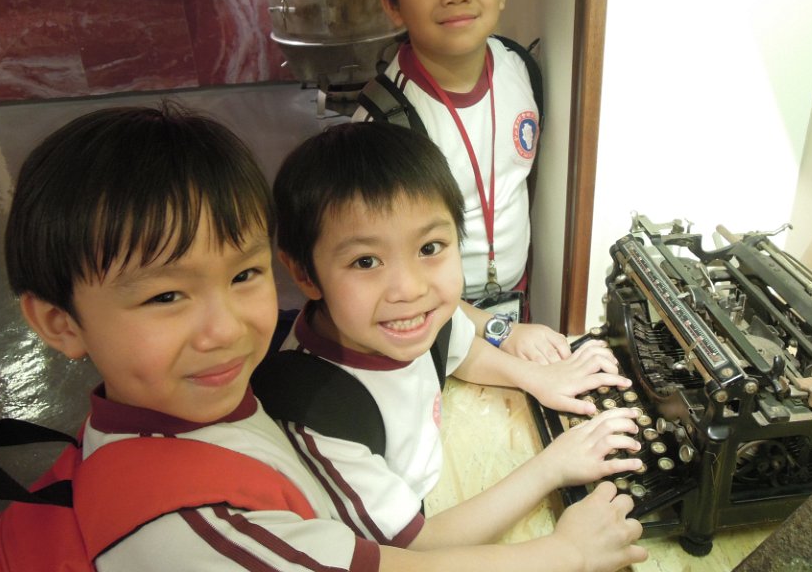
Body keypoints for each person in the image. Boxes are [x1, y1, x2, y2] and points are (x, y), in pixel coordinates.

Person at [0, 102, 645, 572]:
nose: (226, 330)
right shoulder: (190, 531)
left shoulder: (214, 396)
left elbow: (450, 337)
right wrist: (566, 550)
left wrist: (531, 369)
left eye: (243, 275)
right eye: (166, 296)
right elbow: (399, 562)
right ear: (60, 322)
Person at [272, 121, 645, 553]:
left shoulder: (409, 322)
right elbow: (416, 549)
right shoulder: (316, 416)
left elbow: (460, 348)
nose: (410, 289)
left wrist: (535, 377)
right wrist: (552, 468)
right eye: (366, 261)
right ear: (304, 273)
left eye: (429, 248)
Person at [354, 0, 567, 364]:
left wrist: (509, 323)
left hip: (514, 305)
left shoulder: (521, 67)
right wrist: (496, 330)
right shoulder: (385, 124)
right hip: (427, 324)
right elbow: (388, 275)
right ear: (391, 1)